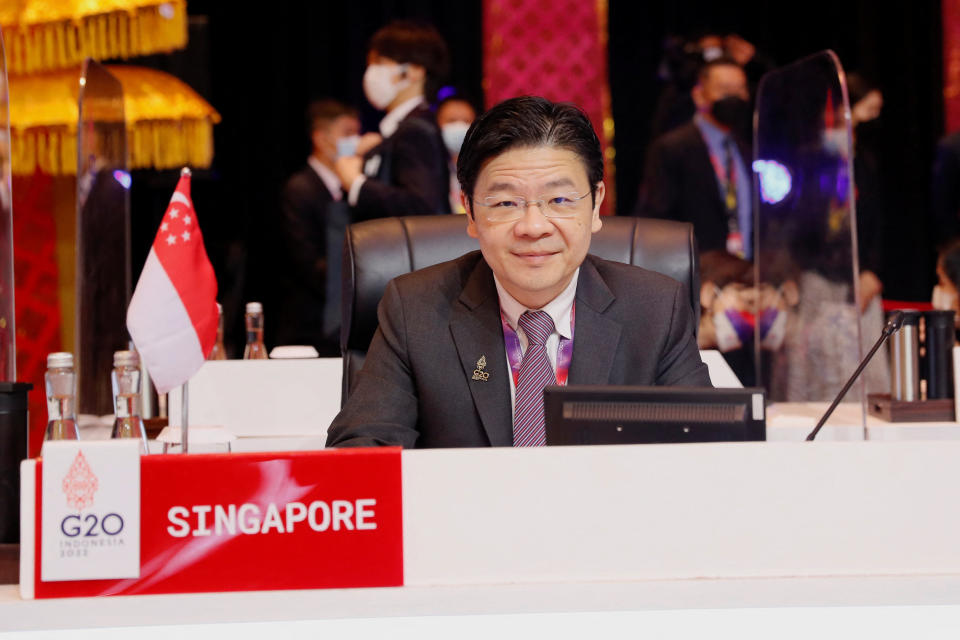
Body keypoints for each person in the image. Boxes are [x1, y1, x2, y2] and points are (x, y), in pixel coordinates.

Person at [326, 96, 711, 449]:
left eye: (559, 200)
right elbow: (361, 453)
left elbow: (706, 455)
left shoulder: (657, 309)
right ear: (471, 212)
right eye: (506, 202)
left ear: (595, 207)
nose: (533, 226)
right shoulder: (416, 309)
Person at [636, 57, 753, 261]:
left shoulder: (747, 150)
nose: (734, 97)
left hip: (748, 272)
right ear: (699, 95)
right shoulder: (672, 148)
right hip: (697, 273)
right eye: (725, 90)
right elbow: (656, 222)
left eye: (740, 89)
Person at [334, 20, 451, 219]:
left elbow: (421, 205)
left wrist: (356, 184)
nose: (371, 73)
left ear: (414, 71)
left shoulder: (415, 130)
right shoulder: (404, 128)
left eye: (380, 63)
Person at [275, 99, 361, 355]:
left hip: (343, 317)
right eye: (347, 134)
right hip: (310, 323)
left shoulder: (354, 187)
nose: (355, 141)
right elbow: (305, 259)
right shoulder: (300, 189)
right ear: (321, 139)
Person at [436, 94, 478, 213]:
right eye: (451, 120)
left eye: (466, 121)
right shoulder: (429, 168)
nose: (459, 126)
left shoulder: (482, 167)